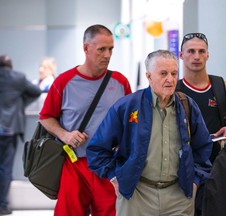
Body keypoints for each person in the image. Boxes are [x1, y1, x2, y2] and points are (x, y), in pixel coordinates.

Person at [86, 49, 213, 216]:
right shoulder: (127, 106)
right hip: (136, 195)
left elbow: (203, 147)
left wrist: (195, 181)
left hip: (178, 196)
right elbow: (97, 148)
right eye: (163, 73)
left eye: (174, 73)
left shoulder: (187, 105)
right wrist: (115, 178)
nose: (170, 79)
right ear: (148, 76)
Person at [39, 24, 132, 216]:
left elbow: (131, 122)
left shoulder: (120, 82)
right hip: (75, 164)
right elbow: (45, 117)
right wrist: (65, 135)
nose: (107, 55)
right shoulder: (64, 82)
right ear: (86, 48)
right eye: (101, 49)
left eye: (111, 49)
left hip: (108, 166)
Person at [177, 32, 226, 215]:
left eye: (201, 51)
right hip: (184, 168)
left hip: (217, 166)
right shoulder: (174, 91)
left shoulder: (222, 87)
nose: (196, 56)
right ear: (181, 55)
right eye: (191, 51)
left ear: (208, 54)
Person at [0, 55, 41, 215]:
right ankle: (2, 205)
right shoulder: (18, 78)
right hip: (9, 129)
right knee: (5, 167)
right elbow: (36, 91)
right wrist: (21, 103)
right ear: (10, 65)